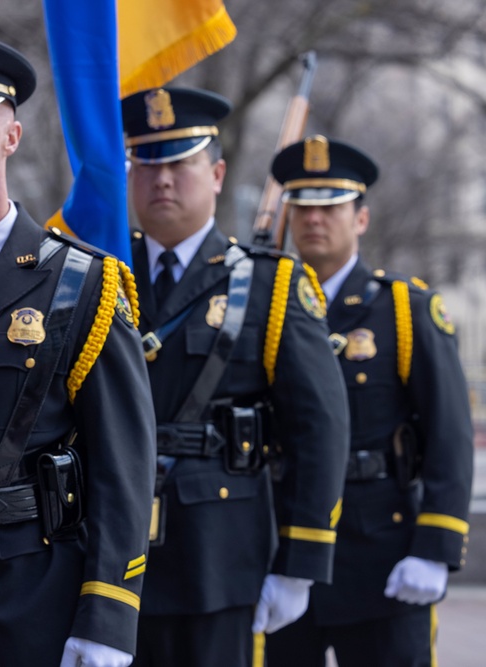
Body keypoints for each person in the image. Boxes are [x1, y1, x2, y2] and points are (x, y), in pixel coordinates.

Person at [0, 33, 156, 667]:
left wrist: (108, 615)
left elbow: (124, 464)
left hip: (35, 587)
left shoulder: (82, 282)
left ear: (11, 136)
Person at [122, 87, 351, 667]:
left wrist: (301, 564)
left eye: (179, 163)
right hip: (113, 557)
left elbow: (320, 428)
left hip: (222, 556)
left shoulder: (271, 286)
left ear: (218, 173)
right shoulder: (104, 278)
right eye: (146, 165)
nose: (162, 181)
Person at [265, 136, 474, 666]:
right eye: (303, 206)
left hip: (383, 552)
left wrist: (436, 547)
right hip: (282, 547)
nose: (315, 220)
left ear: (361, 218)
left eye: (331, 206)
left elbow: (449, 433)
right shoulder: (262, 309)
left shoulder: (402, 309)